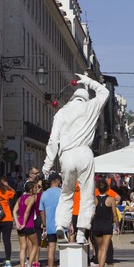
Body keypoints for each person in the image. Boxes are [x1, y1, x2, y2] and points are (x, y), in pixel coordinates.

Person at [42, 73, 109, 244]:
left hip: (67, 155)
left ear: (72, 98)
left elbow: (53, 140)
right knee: (86, 194)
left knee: (66, 193)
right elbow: (104, 92)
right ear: (86, 99)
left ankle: (60, 227)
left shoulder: (61, 112)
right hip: (84, 152)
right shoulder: (90, 107)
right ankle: (81, 232)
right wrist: (88, 81)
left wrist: (47, 164)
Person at [92, 178, 119, 267]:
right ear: (107, 188)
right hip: (107, 226)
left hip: (97, 225)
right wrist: (117, 226)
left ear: (98, 188)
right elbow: (115, 215)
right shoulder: (111, 199)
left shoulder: (94, 199)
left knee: (99, 248)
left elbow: (92, 213)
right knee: (104, 249)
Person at [13, 181, 39, 267]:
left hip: (20, 226)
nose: (37, 189)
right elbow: (27, 212)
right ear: (31, 189)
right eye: (35, 187)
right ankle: (29, 265)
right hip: (28, 225)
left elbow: (14, 211)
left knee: (23, 248)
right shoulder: (31, 198)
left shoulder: (20, 198)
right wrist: (24, 223)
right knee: (36, 244)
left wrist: (17, 223)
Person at [39, 172, 62, 267]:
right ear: (57, 181)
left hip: (50, 226)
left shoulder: (44, 194)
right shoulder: (62, 193)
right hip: (62, 225)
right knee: (63, 248)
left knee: (51, 247)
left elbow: (42, 212)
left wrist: (44, 223)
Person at [0, 176, 16, 267]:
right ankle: (8, 261)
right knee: (7, 240)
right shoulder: (7, 192)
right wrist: (8, 186)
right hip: (7, 219)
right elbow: (14, 193)